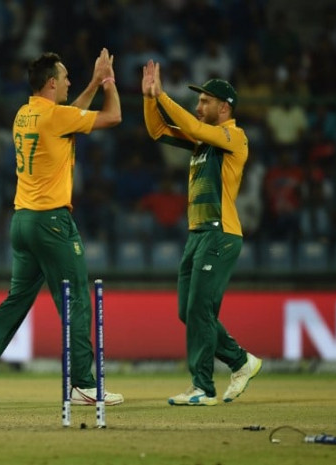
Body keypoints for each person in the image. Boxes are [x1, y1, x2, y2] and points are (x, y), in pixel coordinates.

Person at [0, 49, 124, 406]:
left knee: (16, 302)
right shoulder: (56, 117)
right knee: (76, 299)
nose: (69, 82)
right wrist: (107, 82)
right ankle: (84, 385)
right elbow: (114, 116)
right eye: (65, 78)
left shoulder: (24, 114)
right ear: (51, 83)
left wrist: (91, 82)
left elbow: (68, 116)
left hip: (23, 221)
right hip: (52, 222)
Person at [141, 61, 262, 406]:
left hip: (220, 234)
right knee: (189, 312)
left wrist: (163, 94)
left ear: (224, 107)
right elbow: (156, 131)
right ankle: (241, 361)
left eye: (205, 101)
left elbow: (192, 124)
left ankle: (202, 387)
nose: (199, 107)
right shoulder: (201, 143)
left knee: (199, 311)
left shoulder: (233, 137)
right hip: (197, 235)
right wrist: (150, 98)